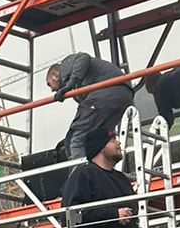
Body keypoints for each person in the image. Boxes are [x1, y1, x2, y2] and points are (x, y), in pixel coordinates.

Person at [21, 54, 135, 199]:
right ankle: (101, 173)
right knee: (97, 139)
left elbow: (83, 58)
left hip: (107, 91)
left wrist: (70, 84)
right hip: (121, 94)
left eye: (50, 84)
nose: (51, 90)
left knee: (75, 139)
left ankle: (78, 183)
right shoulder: (76, 88)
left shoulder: (66, 66)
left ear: (55, 75)